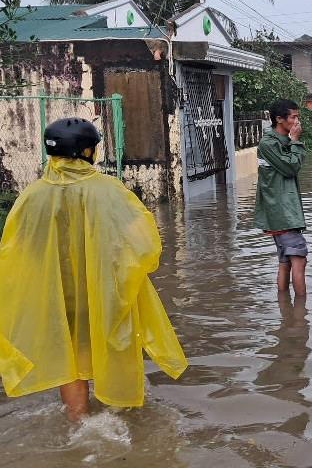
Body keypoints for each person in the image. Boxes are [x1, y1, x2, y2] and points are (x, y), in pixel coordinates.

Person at [0, 117, 187, 422]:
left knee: (68, 357)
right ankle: (117, 414)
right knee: (112, 345)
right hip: (103, 291)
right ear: (88, 152)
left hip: (55, 296)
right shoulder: (109, 191)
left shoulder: (31, 196)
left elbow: (14, 249)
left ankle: (79, 420)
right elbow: (144, 243)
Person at [255, 99, 308, 296]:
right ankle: (301, 317)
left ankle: (287, 314)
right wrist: (295, 141)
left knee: (285, 262)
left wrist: (292, 142)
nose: (297, 122)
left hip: (284, 213)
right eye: (293, 117)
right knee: (299, 260)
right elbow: (291, 168)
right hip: (282, 214)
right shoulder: (268, 143)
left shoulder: (279, 142)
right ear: (279, 119)